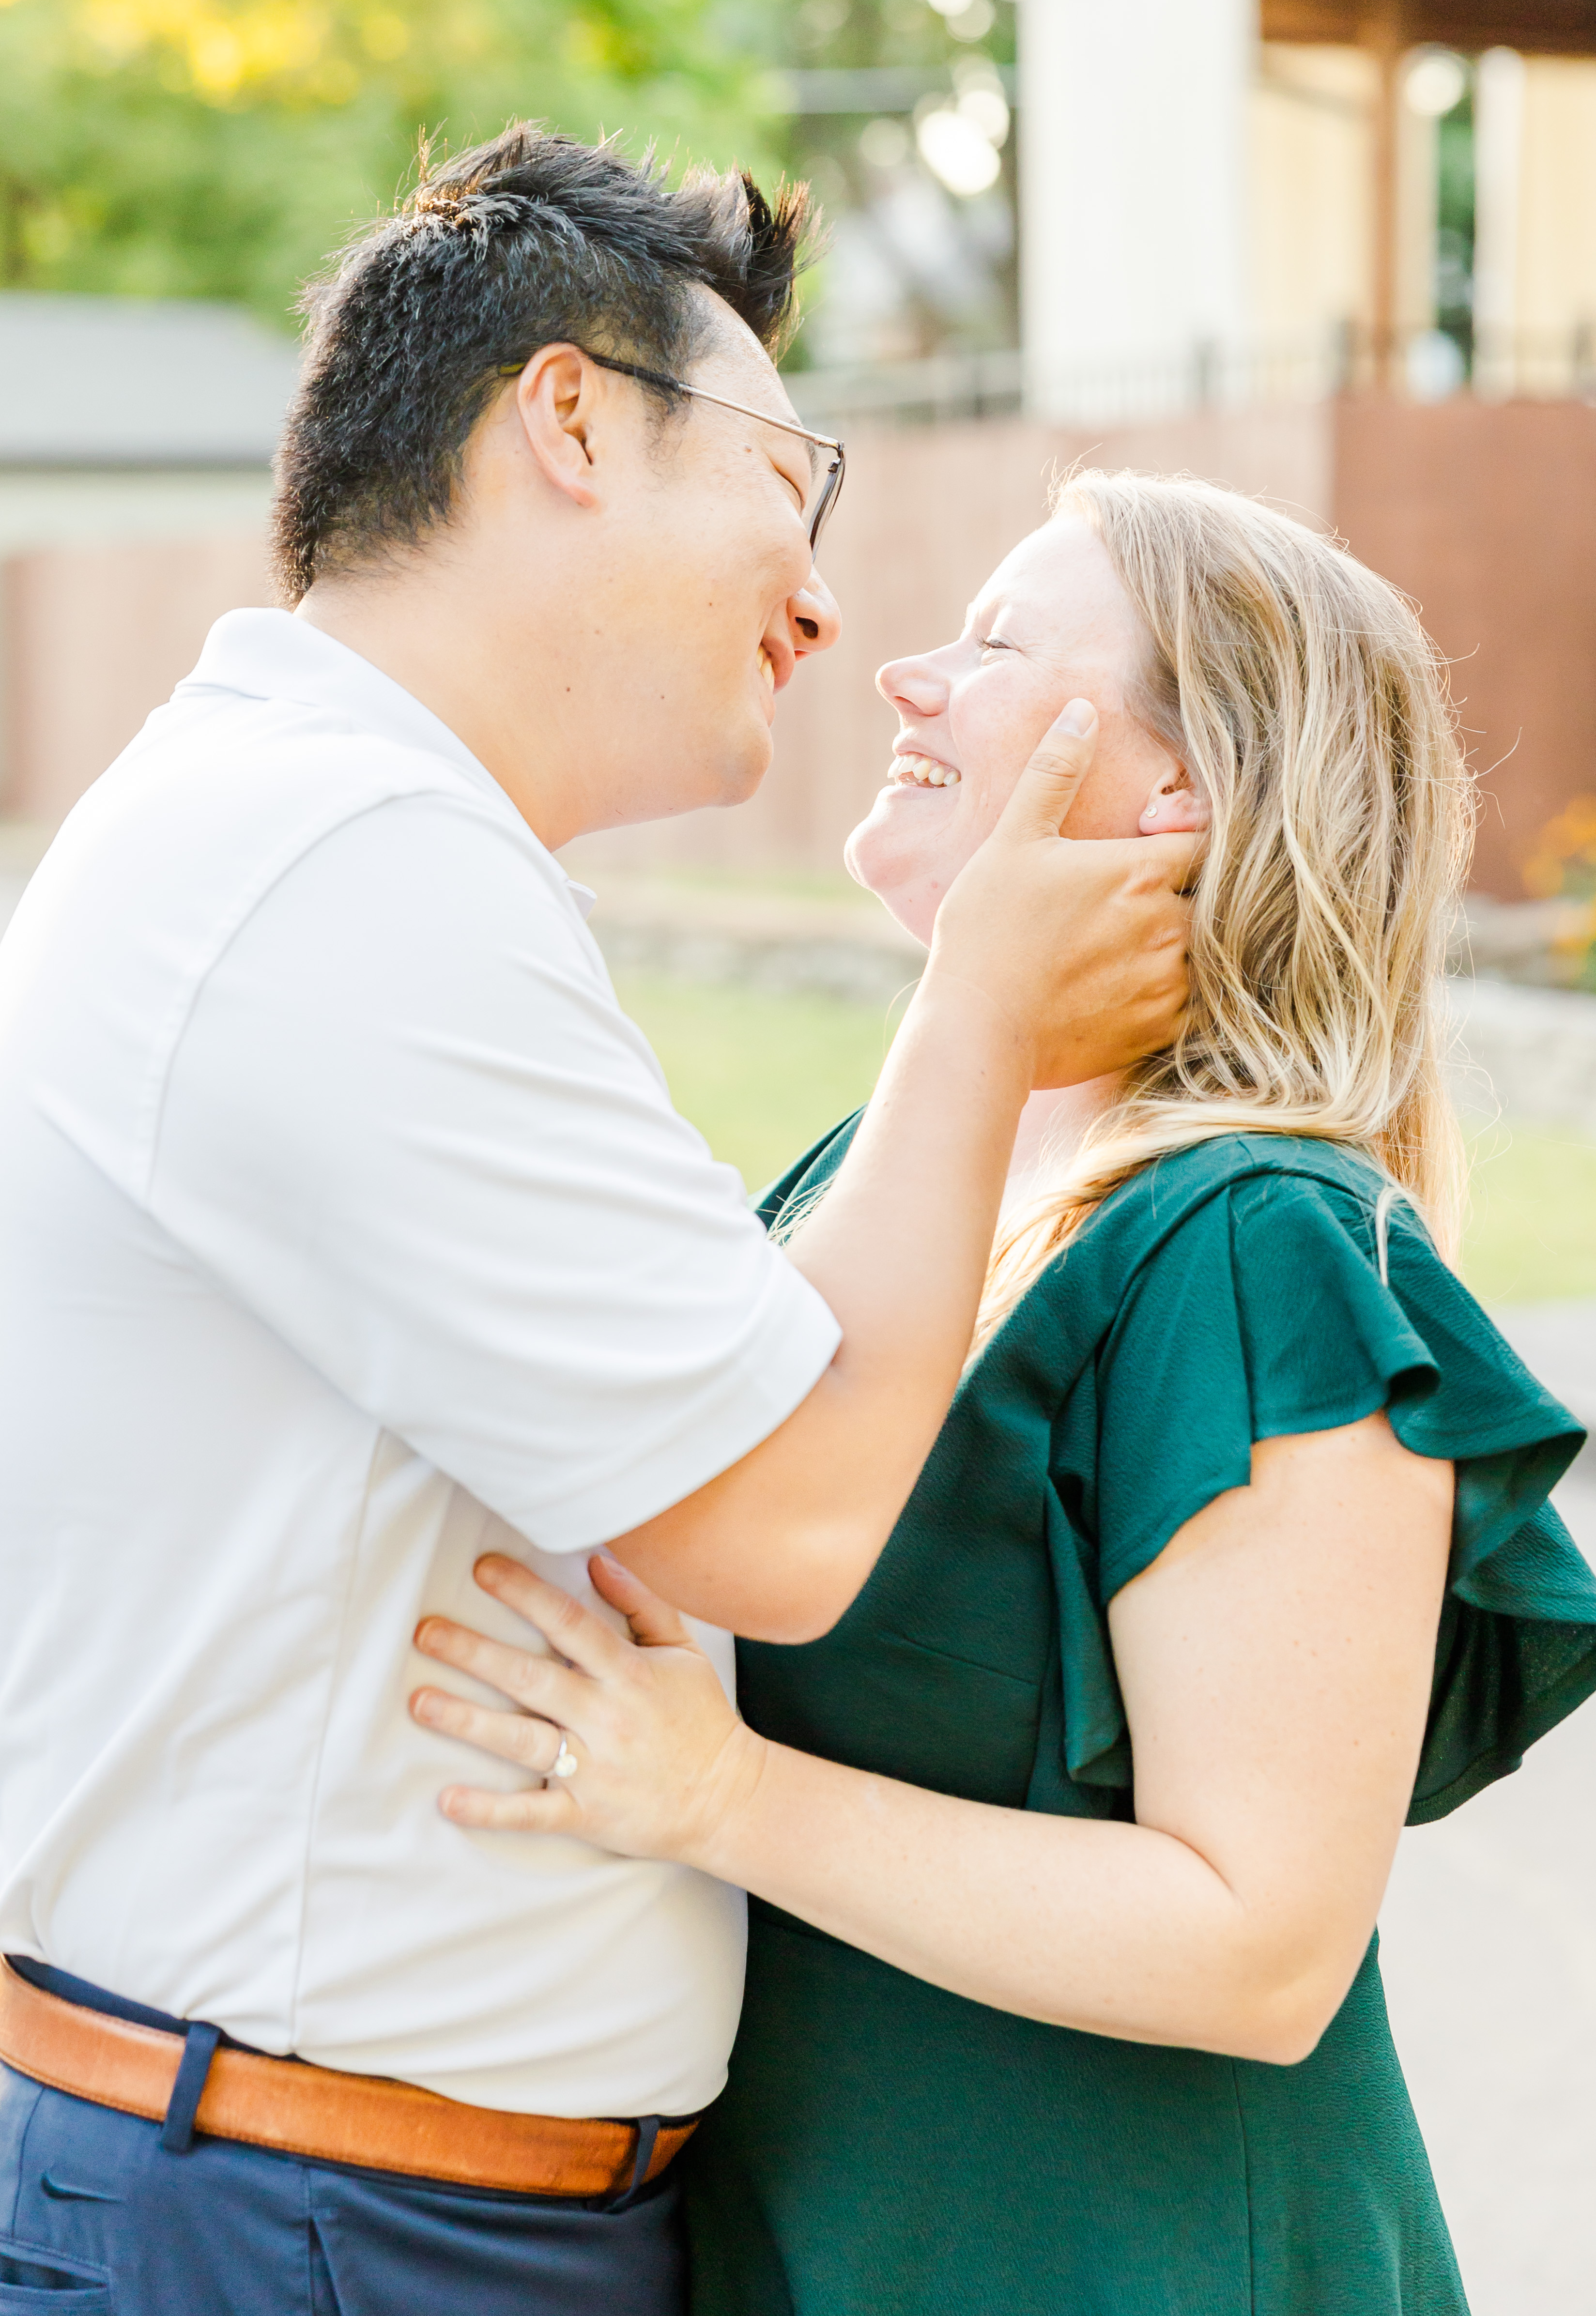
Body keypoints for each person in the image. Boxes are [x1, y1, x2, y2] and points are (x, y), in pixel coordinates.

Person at [0, 140, 1195, 2314]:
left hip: (347, 2199)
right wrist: (976, 1020)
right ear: (564, 419)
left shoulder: (348, 841)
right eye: (789, 479)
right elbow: (778, 1522)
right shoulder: (334, 869)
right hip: (318, 2218)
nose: (825, 602)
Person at [410, 470, 1596, 2316]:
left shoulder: (1257, 1248)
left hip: (1133, 2262)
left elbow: (1261, 1944)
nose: (899, 675)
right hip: (824, 2241)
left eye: (996, 644)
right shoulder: (865, 1184)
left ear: (1181, 791)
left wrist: (719, 1797)